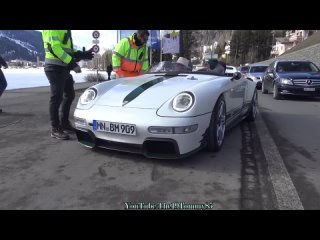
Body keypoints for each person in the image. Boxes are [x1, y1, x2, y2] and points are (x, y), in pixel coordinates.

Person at [42, 30, 94, 140]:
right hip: (54, 67)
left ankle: (64, 123)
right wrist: (72, 63)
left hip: (63, 68)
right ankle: (55, 128)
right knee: (56, 97)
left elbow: (68, 50)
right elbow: (55, 48)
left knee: (69, 95)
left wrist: (83, 54)